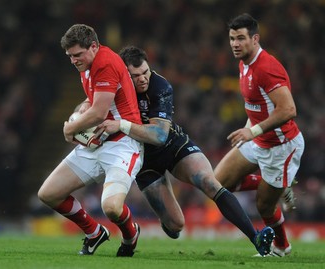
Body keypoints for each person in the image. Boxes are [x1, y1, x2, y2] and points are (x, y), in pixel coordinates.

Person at [99, 45, 275, 256]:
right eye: (136, 76)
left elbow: (159, 136)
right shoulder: (113, 90)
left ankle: (256, 238)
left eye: (145, 72)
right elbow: (91, 106)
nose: (143, 79)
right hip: (143, 162)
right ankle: (166, 220)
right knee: (175, 227)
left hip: (172, 146)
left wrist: (121, 125)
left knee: (209, 182)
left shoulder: (160, 85)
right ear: (124, 75)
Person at [38, 24, 144, 257]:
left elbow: (98, 113)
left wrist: (71, 127)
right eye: (70, 56)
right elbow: (94, 102)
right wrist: (84, 106)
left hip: (122, 143)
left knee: (111, 208)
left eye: (78, 55)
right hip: (96, 142)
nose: (74, 60)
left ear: (94, 46)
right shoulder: (86, 64)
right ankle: (94, 232)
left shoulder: (105, 62)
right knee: (48, 194)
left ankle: (130, 234)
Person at [214, 13, 305, 257]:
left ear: (255, 39)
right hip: (259, 140)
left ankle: (282, 246)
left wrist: (251, 131)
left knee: (264, 205)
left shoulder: (267, 67)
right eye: (232, 38)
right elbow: (258, 105)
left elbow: (289, 110)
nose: (235, 43)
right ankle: (278, 184)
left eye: (241, 38)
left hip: (281, 145)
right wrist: (251, 132)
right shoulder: (243, 63)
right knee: (217, 183)